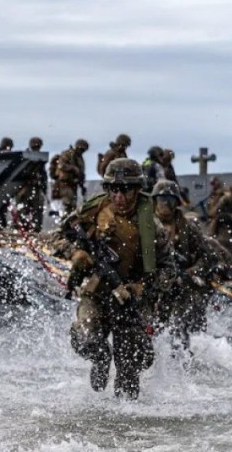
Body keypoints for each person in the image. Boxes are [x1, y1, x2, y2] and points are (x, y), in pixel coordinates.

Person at [61, 158, 176, 400]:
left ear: (137, 189)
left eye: (125, 190)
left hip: (131, 300)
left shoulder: (151, 227)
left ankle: (126, 429)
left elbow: (169, 270)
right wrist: (76, 253)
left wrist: (141, 287)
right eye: (113, 189)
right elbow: (58, 237)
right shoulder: (92, 211)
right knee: (85, 338)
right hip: (97, 291)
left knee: (130, 371)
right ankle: (101, 358)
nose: (119, 196)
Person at [150, 180, 215, 352]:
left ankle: (182, 368)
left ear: (176, 203)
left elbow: (208, 257)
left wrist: (189, 272)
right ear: (154, 201)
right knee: (150, 329)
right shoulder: (145, 224)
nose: (164, 204)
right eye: (161, 199)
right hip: (153, 284)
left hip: (180, 285)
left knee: (179, 329)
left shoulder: (187, 228)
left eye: (169, 199)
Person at [13, 136, 47, 231]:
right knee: (22, 208)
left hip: (36, 188)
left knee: (38, 208)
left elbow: (43, 175)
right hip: (24, 187)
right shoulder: (24, 157)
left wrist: (44, 188)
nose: (37, 148)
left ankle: (36, 229)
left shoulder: (40, 159)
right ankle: (20, 228)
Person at [50, 139, 88, 217]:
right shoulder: (68, 154)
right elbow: (61, 165)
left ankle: (68, 223)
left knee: (72, 208)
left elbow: (81, 173)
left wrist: (81, 184)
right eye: (81, 148)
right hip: (64, 184)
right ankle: (63, 221)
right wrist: (73, 168)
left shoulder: (80, 158)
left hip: (73, 185)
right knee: (66, 206)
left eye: (83, 149)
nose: (82, 151)